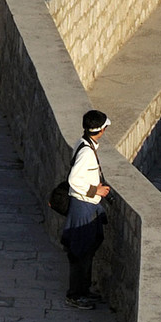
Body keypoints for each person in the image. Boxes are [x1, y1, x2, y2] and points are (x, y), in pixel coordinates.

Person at [62, 109, 112, 307]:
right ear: (100, 130)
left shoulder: (83, 144)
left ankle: (83, 289)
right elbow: (74, 180)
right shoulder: (86, 152)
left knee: (89, 247)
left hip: (86, 207)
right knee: (80, 251)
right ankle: (75, 294)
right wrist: (95, 190)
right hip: (83, 207)